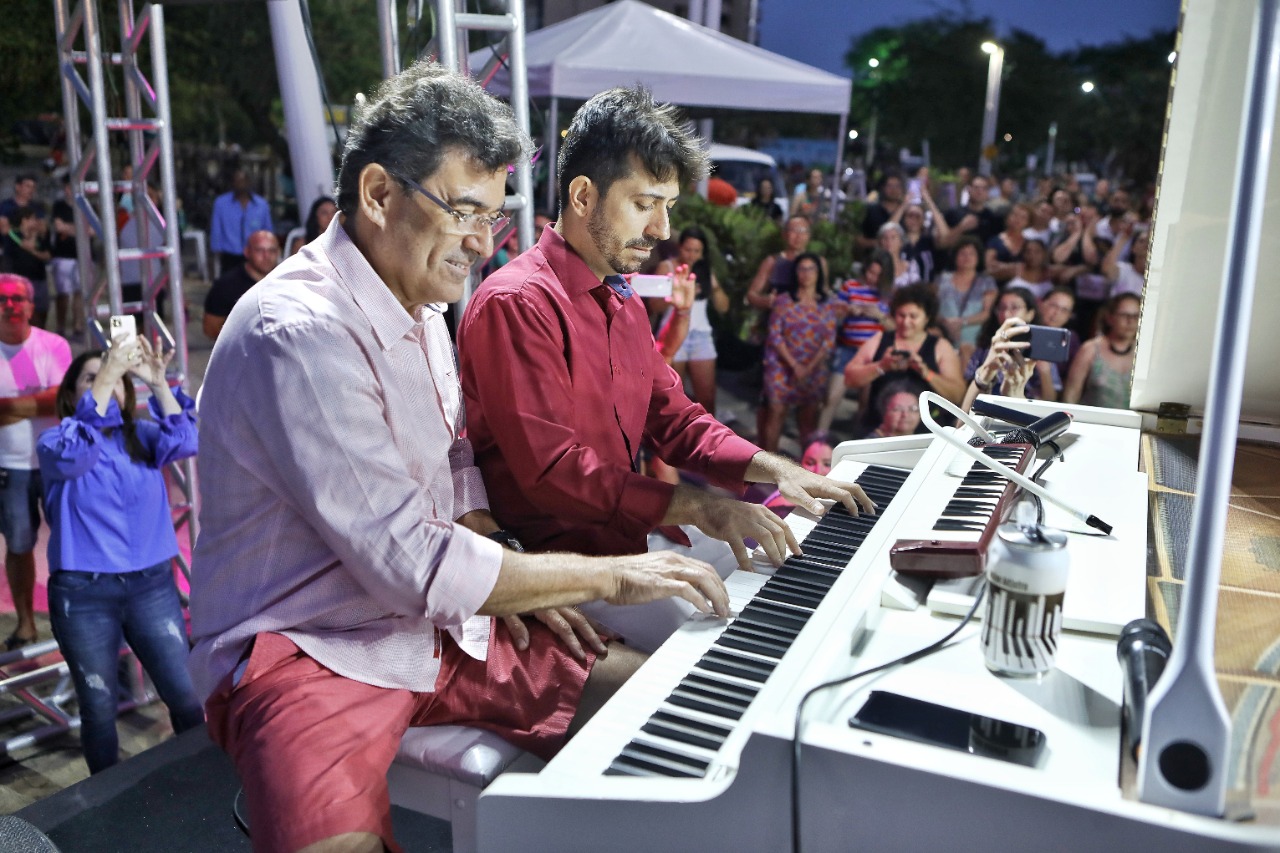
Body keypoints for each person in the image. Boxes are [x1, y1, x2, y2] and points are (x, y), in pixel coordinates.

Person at [188, 62, 731, 853]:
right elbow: (411, 562)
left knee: (663, 701)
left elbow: (455, 466)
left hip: (437, 622)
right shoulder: (297, 330)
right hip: (308, 644)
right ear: (378, 194)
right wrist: (613, 572)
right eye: (465, 211)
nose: (483, 243)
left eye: (494, 215)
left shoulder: (427, 303)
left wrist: (507, 561)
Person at [458, 86, 873, 644]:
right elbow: (555, 475)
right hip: (558, 575)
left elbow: (675, 418)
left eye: (669, 207)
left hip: (629, 548)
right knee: (740, 646)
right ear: (583, 196)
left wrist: (777, 469)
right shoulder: (518, 302)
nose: (663, 231)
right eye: (644, 204)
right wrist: (701, 504)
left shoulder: (621, 297)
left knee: (795, 594)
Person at [38, 340, 204, 774]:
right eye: (92, 378)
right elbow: (75, 455)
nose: (108, 382)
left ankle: (208, 782)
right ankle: (107, 807)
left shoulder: (144, 437)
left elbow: (188, 439)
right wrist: (110, 369)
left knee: (186, 695)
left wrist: (156, 383)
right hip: (84, 596)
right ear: (72, 395)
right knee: (99, 707)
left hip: (151, 587)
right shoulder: (58, 443)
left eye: (113, 377)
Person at [0, 274, 71, 650]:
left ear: (30, 304)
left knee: (71, 541)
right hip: (8, 467)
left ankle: (72, 617)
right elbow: (48, 400)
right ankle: (26, 623)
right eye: (2, 300)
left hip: (57, 461)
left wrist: (9, 406)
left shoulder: (54, 344)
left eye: (17, 298)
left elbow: (61, 399)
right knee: (18, 544)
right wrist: (38, 401)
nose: (10, 305)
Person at [844, 284, 966, 437]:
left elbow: (958, 394)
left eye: (913, 316)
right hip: (879, 428)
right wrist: (881, 366)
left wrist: (926, 373)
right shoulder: (880, 340)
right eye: (901, 315)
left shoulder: (940, 346)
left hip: (925, 433)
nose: (906, 322)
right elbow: (849, 378)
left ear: (926, 318)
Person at [759, 252, 843, 453]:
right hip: (782, 364)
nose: (806, 274)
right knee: (776, 412)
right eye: (801, 269)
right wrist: (795, 366)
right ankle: (768, 469)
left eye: (811, 269)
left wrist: (808, 368)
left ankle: (808, 469)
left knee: (807, 418)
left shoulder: (827, 304)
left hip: (813, 367)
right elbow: (775, 335)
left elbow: (829, 340)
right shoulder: (783, 300)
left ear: (819, 273)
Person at [817, 249, 894, 438]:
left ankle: (855, 443)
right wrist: (848, 309)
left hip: (873, 353)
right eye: (870, 272)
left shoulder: (890, 295)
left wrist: (879, 316)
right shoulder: (850, 286)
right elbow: (833, 313)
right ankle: (817, 439)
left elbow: (895, 327)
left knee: (865, 404)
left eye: (878, 275)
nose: (873, 277)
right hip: (847, 349)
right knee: (831, 397)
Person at [656, 227, 728, 413]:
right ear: (679, 248)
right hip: (673, 332)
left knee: (707, 398)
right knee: (674, 396)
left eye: (697, 251)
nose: (691, 255)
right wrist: (673, 293)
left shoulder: (705, 271)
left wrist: (714, 286)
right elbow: (654, 307)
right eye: (688, 249)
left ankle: (706, 439)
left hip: (700, 335)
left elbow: (724, 307)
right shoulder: (667, 267)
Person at [960, 286, 1059, 410]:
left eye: (1015, 308)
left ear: (1030, 314)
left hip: (1026, 413)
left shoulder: (1041, 351)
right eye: (1002, 308)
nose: (1006, 314)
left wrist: (1045, 372)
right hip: (985, 412)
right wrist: (985, 371)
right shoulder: (987, 349)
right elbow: (965, 398)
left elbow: (1050, 401)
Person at [1063, 292, 1141, 409]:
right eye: (1124, 315)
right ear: (1110, 318)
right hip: (1093, 422)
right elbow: (1070, 396)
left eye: (1136, 316)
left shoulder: (1145, 354)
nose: (1130, 321)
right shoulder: (1090, 349)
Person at [202, 229, 280, 341]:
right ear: (247, 252)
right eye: (259, 250)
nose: (266, 256)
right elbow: (210, 329)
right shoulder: (226, 286)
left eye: (271, 250)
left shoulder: (288, 281)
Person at [935, 235, 998, 367]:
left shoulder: (987, 282)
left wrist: (961, 322)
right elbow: (932, 309)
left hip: (973, 342)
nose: (967, 257)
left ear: (978, 257)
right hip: (944, 338)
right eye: (962, 253)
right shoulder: (941, 279)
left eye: (971, 254)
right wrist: (946, 323)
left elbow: (986, 313)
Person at [209, 168, 273, 275]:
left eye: (243, 181)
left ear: (249, 182)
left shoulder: (261, 205)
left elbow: (268, 231)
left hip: (255, 254)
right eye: (237, 181)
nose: (240, 184)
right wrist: (215, 254)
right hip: (230, 255)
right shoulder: (221, 203)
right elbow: (216, 230)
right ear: (233, 183)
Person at [4, 208, 52, 329]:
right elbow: (28, 245)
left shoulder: (41, 236)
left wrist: (35, 246)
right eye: (33, 219)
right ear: (24, 220)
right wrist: (34, 238)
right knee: (29, 314)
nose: (36, 222)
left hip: (39, 278)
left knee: (42, 310)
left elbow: (47, 254)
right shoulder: (13, 234)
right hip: (22, 281)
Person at [49, 178, 84, 338]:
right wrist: (79, 229)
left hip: (82, 256)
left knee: (80, 292)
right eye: (68, 187)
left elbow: (91, 230)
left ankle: (78, 325)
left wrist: (68, 228)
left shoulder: (87, 206)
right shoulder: (59, 206)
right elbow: (58, 226)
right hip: (63, 255)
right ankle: (61, 325)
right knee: (63, 293)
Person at [941, 174, 1004, 258]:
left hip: (981, 266)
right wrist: (961, 227)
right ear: (969, 189)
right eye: (976, 188)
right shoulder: (953, 213)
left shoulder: (994, 218)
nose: (979, 191)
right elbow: (943, 242)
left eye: (984, 188)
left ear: (988, 192)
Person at [858, 173, 906, 253]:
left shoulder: (907, 212)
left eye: (897, 186)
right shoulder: (871, 211)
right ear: (883, 187)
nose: (893, 190)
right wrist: (879, 243)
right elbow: (859, 240)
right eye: (890, 186)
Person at [984, 202, 1031, 283]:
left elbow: (1032, 269)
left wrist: (1001, 267)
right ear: (1008, 217)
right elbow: (989, 267)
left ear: (1027, 222)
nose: (1018, 219)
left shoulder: (1029, 244)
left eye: (1023, 217)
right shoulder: (994, 241)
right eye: (1015, 215)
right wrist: (1014, 268)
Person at [876, 222, 920, 287]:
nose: (889, 241)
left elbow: (916, 289)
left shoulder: (911, 266)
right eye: (885, 238)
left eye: (893, 237)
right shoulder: (875, 266)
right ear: (880, 242)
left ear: (901, 242)